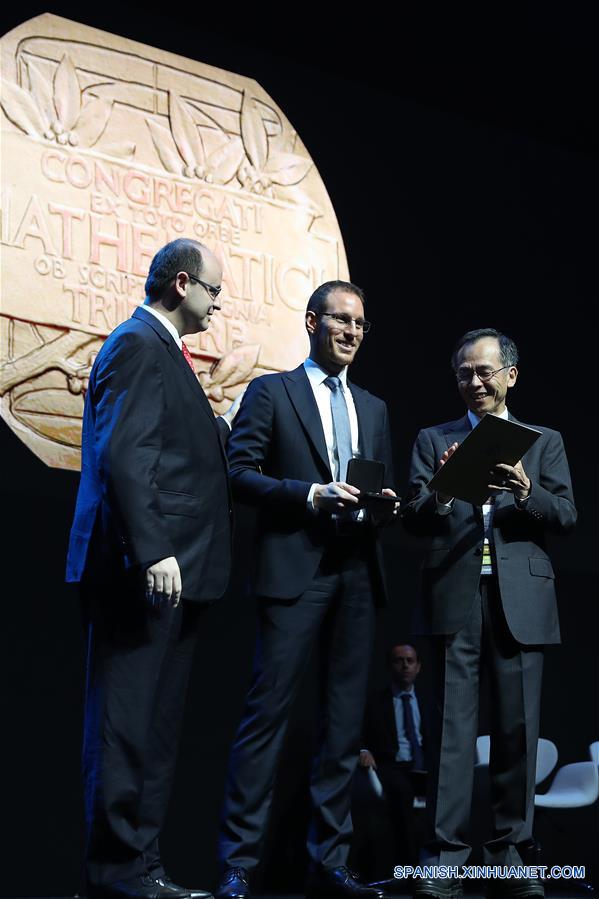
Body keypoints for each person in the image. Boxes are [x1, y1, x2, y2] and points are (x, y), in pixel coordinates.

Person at [215, 280, 397, 899]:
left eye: (361, 324)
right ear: (313, 323)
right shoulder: (272, 392)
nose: (351, 332)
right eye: (341, 320)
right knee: (266, 719)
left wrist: (384, 505)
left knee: (344, 728)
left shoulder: (372, 407)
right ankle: (238, 864)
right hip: (294, 571)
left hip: (355, 575)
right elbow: (238, 474)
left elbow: (379, 486)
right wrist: (309, 494)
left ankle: (331, 860)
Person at [66, 238, 233, 899]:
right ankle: (114, 873)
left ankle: (142, 868)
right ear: (182, 284)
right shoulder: (138, 344)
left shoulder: (167, 354)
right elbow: (123, 455)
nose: (219, 303)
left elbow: (168, 451)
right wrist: (153, 548)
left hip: (179, 576)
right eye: (214, 291)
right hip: (144, 572)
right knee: (126, 725)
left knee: (156, 730)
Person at [401, 328, 576, 899]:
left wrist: (527, 490)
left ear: (510, 375)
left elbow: (566, 515)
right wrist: (447, 488)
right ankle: (448, 859)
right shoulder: (434, 439)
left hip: (519, 600)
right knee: (451, 733)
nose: (473, 383)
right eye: (462, 373)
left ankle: (510, 858)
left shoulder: (542, 441)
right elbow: (415, 514)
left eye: (484, 372)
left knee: (517, 733)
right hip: (455, 595)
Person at [355, 644, 427, 876]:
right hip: (391, 766)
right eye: (398, 660)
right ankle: (410, 868)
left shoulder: (430, 701)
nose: (405, 665)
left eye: (410, 660)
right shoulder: (375, 701)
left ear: (418, 667)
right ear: (389, 666)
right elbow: (356, 734)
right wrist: (364, 750)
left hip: (424, 767)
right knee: (402, 791)